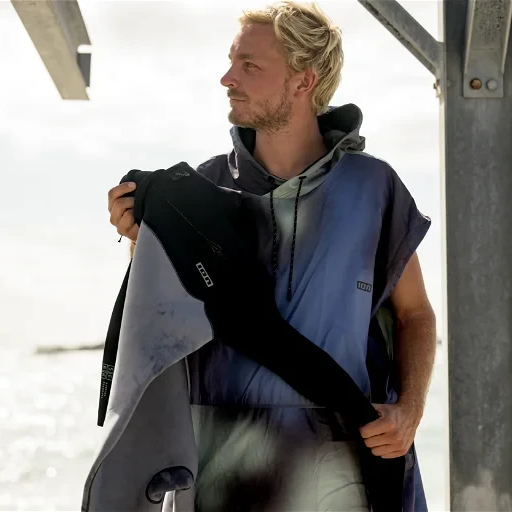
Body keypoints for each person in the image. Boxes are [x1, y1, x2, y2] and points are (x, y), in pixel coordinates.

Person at [106, 2, 437, 510]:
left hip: (340, 471)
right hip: (217, 471)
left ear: (304, 81)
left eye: (249, 66)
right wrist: (139, 241)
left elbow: (415, 314)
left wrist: (409, 412)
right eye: (231, 62)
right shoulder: (200, 188)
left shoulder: (373, 188)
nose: (227, 79)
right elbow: (163, 320)